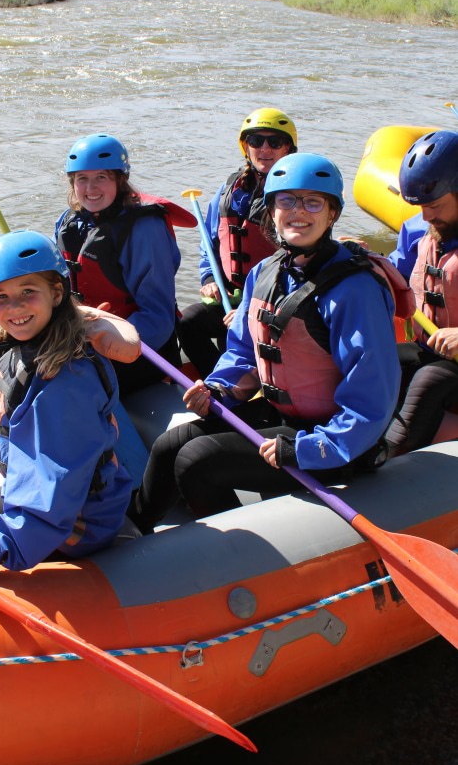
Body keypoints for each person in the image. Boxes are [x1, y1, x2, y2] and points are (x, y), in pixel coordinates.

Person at [129, 153, 407, 531]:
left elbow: (371, 399)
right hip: (281, 416)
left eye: (313, 202)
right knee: (169, 445)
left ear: (332, 214)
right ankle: (132, 531)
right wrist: (218, 387)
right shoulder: (266, 272)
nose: (298, 212)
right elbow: (243, 351)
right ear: (272, 210)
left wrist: (307, 449)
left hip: (333, 439)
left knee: (196, 461)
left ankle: (237, 555)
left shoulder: (355, 289)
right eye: (287, 200)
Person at [0, 230, 135, 578]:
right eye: (1, 297)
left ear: (56, 293)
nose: (14, 307)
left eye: (28, 292)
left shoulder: (62, 384)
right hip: (40, 495)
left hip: (75, 520)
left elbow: (53, 496)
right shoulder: (19, 346)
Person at [55, 132, 188, 394]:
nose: (90, 189)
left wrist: (101, 345)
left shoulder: (144, 229)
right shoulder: (69, 222)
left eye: (101, 178)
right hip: (83, 340)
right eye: (82, 179)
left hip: (138, 350)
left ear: (120, 179)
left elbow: (157, 317)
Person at [177, 108, 297, 378]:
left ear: (288, 148)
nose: (264, 148)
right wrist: (208, 277)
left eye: (274, 142)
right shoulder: (229, 190)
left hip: (273, 305)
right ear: (246, 146)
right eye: (256, 141)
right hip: (230, 295)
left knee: (241, 334)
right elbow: (209, 242)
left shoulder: (293, 198)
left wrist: (247, 313)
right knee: (187, 323)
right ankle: (217, 382)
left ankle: (254, 381)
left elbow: (295, 268)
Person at [385, 130, 458, 456]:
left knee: (431, 379)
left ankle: (386, 459)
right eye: (421, 206)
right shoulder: (418, 230)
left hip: (447, 368)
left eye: (436, 205)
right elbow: (393, 272)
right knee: (374, 357)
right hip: (425, 350)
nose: (427, 216)